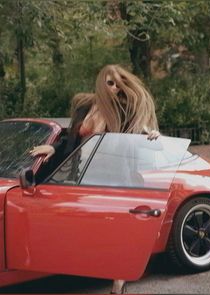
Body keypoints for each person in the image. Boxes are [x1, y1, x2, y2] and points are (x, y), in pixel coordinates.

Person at [30, 64, 160, 293]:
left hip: (114, 177)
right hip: (84, 176)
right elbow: (71, 138)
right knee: (88, 227)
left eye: (119, 84)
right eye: (110, 83)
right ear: (101, 82)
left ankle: (118, 282)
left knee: (117, 230)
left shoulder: (122, 109)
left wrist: (151, 133)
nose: (115, 88)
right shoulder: (84, 106)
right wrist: (52, 149)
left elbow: (138, 128)